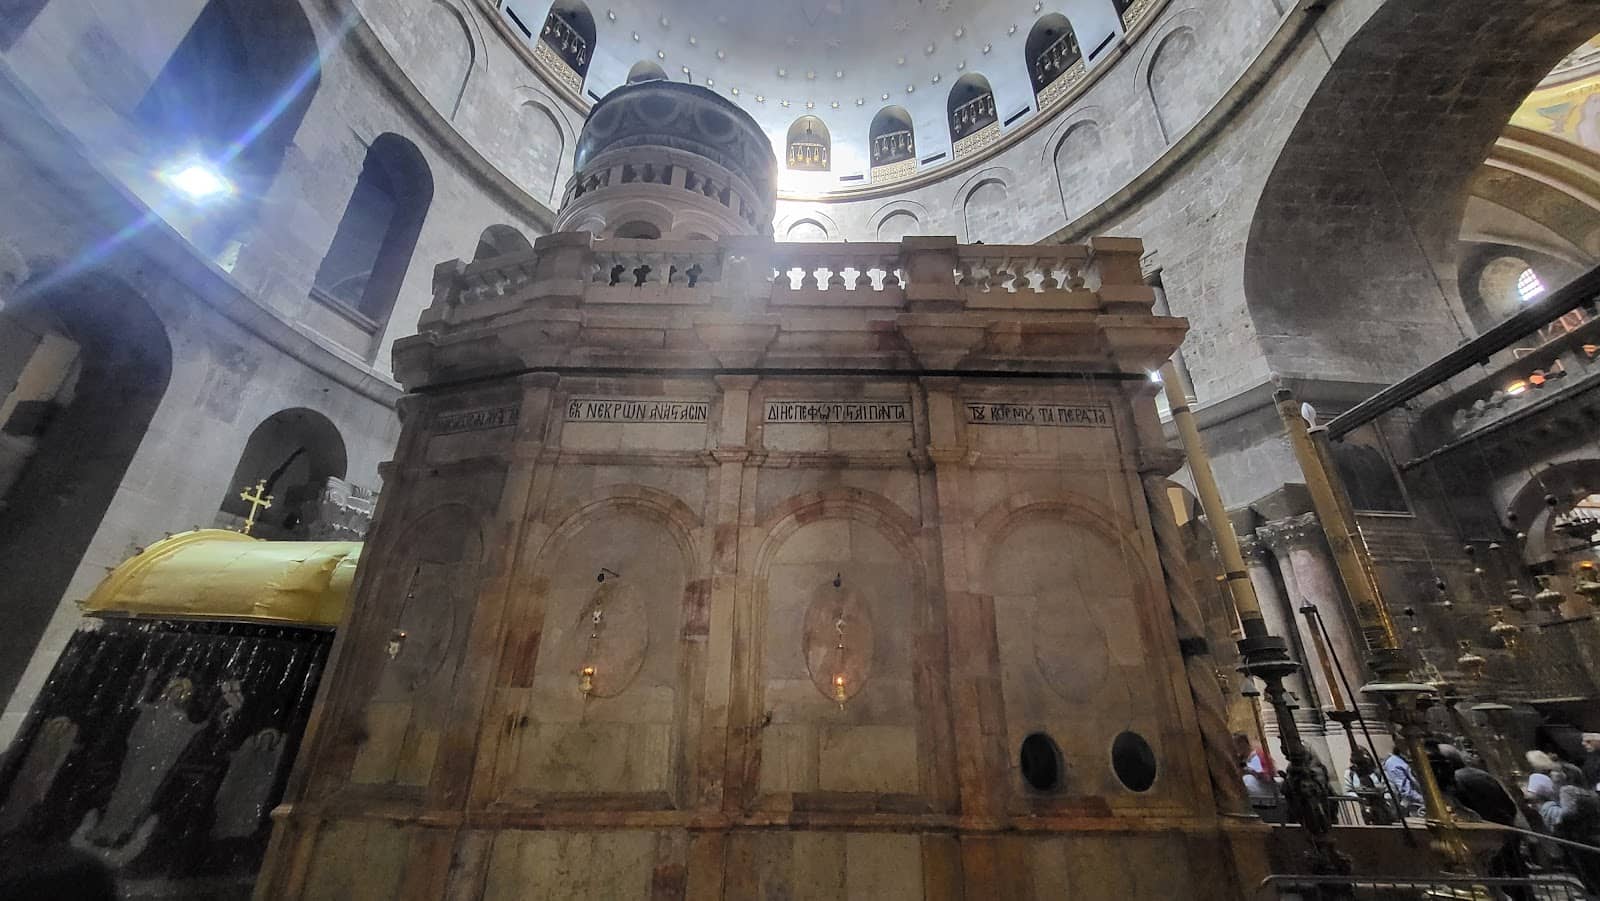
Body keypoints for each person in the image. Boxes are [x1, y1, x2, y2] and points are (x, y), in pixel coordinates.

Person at [1345, 747, 1396, 825]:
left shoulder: (1377, 771)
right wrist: (1359, 798)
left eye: (1367, 755)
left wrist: (1387, 800)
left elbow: (1389, 788)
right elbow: (1349, 790)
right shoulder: (1350, 773)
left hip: (1382, 807)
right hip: (1363, 808)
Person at [1383, 747, 1425, 816]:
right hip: (1407, 806)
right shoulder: (1397, 764)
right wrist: (1424, 799)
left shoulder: (1397, 761)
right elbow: (1406, 790)